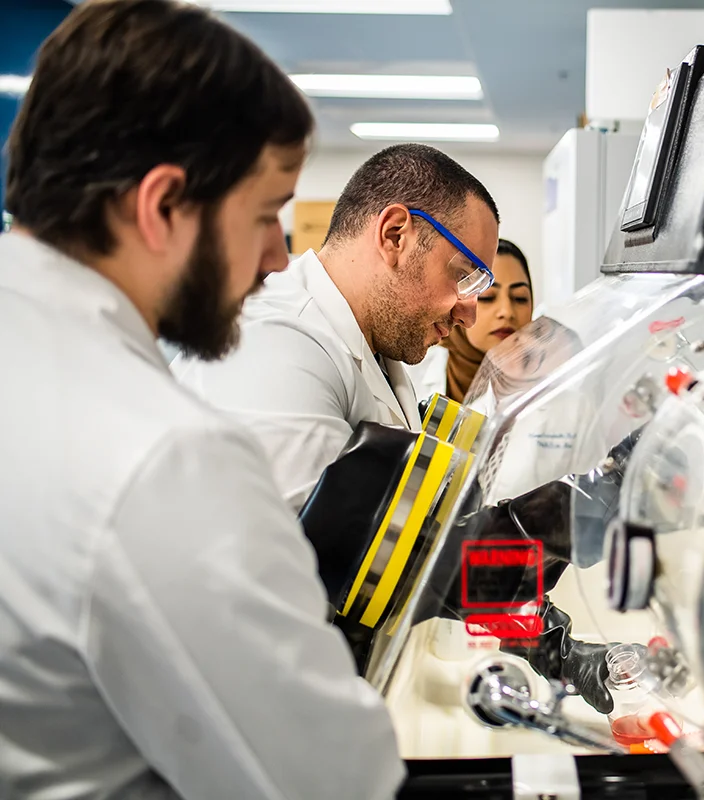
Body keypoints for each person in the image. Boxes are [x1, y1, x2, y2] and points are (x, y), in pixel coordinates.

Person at [0, 1, 405, 798]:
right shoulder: (166, 457)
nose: (276, 261)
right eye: (262, 217)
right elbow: (334, 781)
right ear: (160, 208)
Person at [172, 144, 499, 509]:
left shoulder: (374, 343)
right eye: (462, 276)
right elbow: (309, 551)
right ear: (394, 236)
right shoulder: (278, 346)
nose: (469, 316)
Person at [409, 237, 534, 402]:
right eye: (488, 297)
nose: (507, 312)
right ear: (457, 301)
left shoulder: (558, 389)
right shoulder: (409, 373)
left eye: (520, 298)